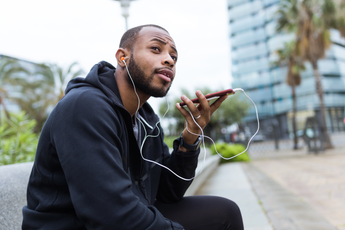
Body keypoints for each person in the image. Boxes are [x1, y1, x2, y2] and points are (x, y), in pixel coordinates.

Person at [22, 24, 244, 230]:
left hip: (122, 216)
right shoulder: (84, 107)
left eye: (174, 56)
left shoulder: (147, 119)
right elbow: (110, 213)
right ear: (123, 57)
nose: (169, 60)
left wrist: (191, 136)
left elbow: (168, 192)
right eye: (156, 49)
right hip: (76, 224)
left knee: (225, 213)